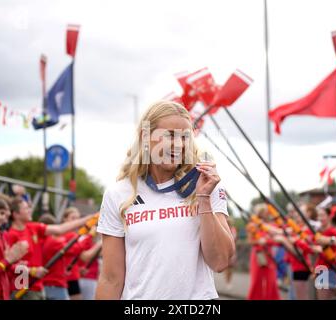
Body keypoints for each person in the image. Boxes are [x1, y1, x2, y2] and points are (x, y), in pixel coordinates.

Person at [95, 101, 235, 300]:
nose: (178, 145)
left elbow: (220, 261)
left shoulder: (206, 184)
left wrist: (203, 198)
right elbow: (111, 279)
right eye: (169, 136)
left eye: (185, 137)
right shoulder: (119, 193)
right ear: (146, 137)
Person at [5, 196, 95, 300]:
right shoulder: (11, 235)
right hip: (23, 289)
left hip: (39, 287)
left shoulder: (32, 227)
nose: (30, 210)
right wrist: (30, 271)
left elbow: (60, 229)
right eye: (26, 208)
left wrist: (89, 219)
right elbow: (8, 264)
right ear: (15, 214)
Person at [246, 204, 280, 300]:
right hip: (258, 254)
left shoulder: (270, 226)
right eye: (264, 212)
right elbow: (250, 241)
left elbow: (276, 239)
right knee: (257, 280)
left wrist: (267, 240)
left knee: (271, 280)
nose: (266, 214)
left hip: (268, 254)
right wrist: (259, 241)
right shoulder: (253, 225)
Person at [313, 207, 336, 300]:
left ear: (329, 216)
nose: (320, 218)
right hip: (321, 269)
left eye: (323, 215)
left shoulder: (332, 232)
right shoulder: (320, 231)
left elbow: (335, 253)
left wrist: (316, 248)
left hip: (328, 269)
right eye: (319, 216)